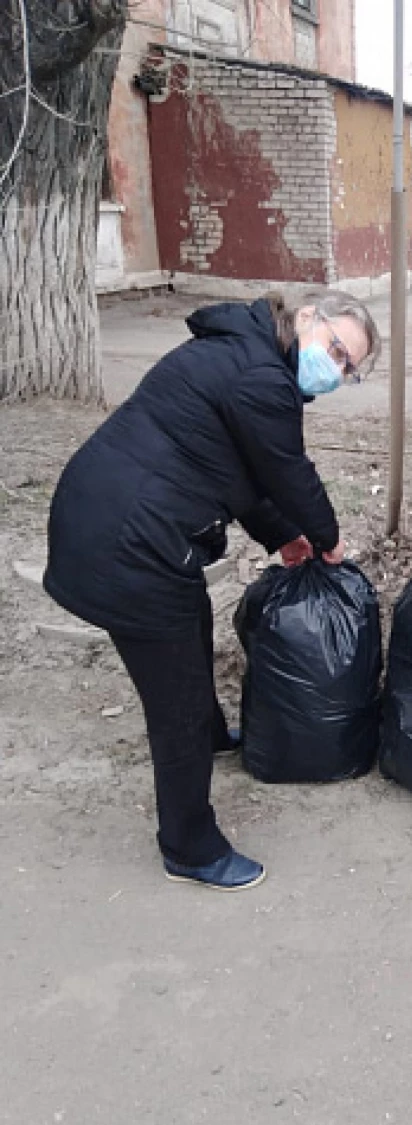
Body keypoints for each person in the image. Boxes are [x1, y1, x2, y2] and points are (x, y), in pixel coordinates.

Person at [44, 291, 380, 890]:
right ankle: (190, 848)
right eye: (336, 350)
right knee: (172, 697)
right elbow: (287, 472)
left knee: (190, 618)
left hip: (119, 520)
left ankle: (207, 734)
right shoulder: (261, 378)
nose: (338, 369)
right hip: (126, 542)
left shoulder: (245, 355)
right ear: (307, 317)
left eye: (349, 368)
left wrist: (283, 538)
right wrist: (326, 538)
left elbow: (242, 472)